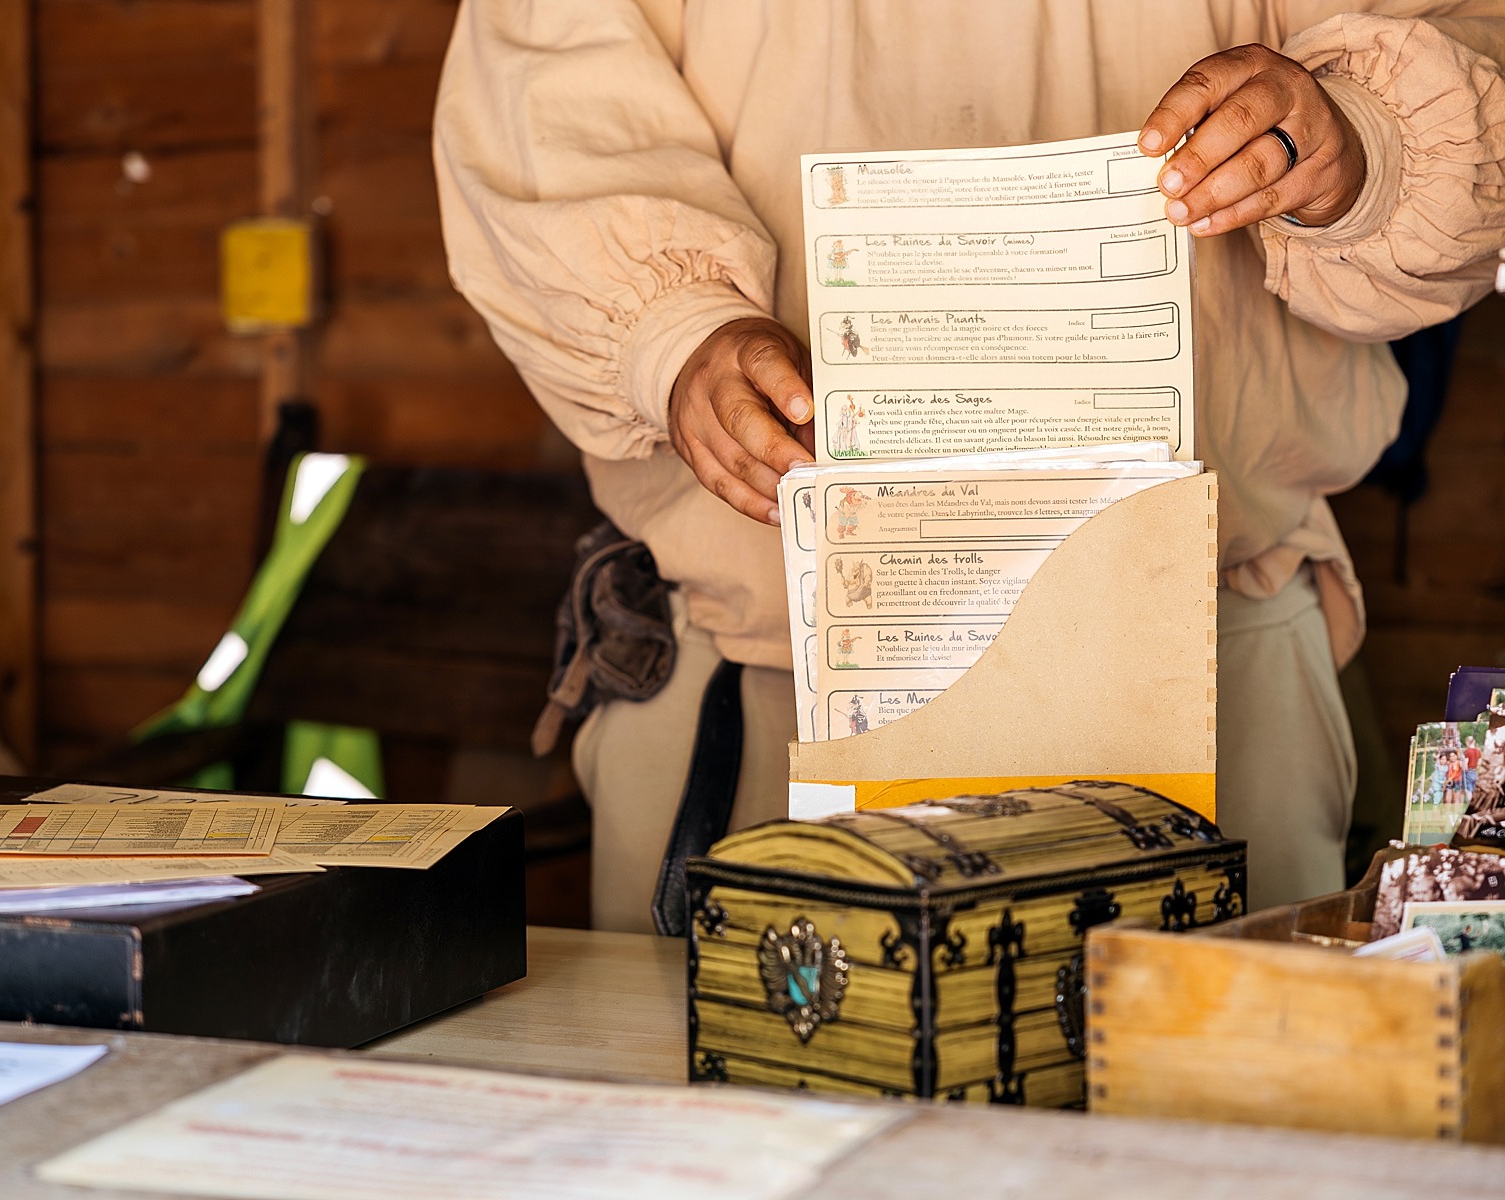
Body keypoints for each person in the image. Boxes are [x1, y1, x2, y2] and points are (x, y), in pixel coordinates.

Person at [434, 1, 1505, 926]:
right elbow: (543, 95)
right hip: (771, 681)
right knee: (742, 1139)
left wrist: (1358, 142)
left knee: (1211, 1132)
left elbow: (1470, 40)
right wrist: (673, 332)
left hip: (1221, 663)